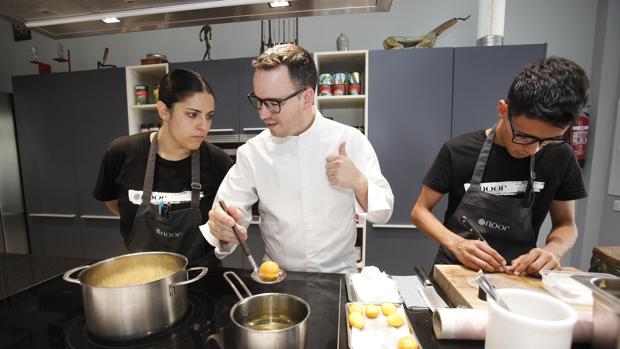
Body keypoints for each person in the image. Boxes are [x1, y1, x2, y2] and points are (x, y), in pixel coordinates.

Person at [200, 44, 394, 273]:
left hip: (339, 276)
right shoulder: (253, 153)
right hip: (277, 277)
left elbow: (384, 212)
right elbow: (228, 213)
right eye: (259, 101)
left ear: (307, 98)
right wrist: (223, 226)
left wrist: (358, 182)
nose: (263, 113)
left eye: (274, 103)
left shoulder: (349, 141)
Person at [411, 56, 590, 276]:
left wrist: (553, 251)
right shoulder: (458, 150)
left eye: (546, 141)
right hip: (456, 270)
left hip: (518, 276)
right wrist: (456, 244)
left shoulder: (561, 157)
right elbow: (420, 211)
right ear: (503, 110)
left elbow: (566, 224)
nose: (533, 149)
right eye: (524, 136)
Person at [93, 69, 233, 266]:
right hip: (142, 276)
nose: (204, 126)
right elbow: (114, 203)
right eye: (192, 115)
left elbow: (227, 222)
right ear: (163, 111)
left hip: (201, 277)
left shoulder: (218, 162)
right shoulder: (121, 153)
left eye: (209, 116)